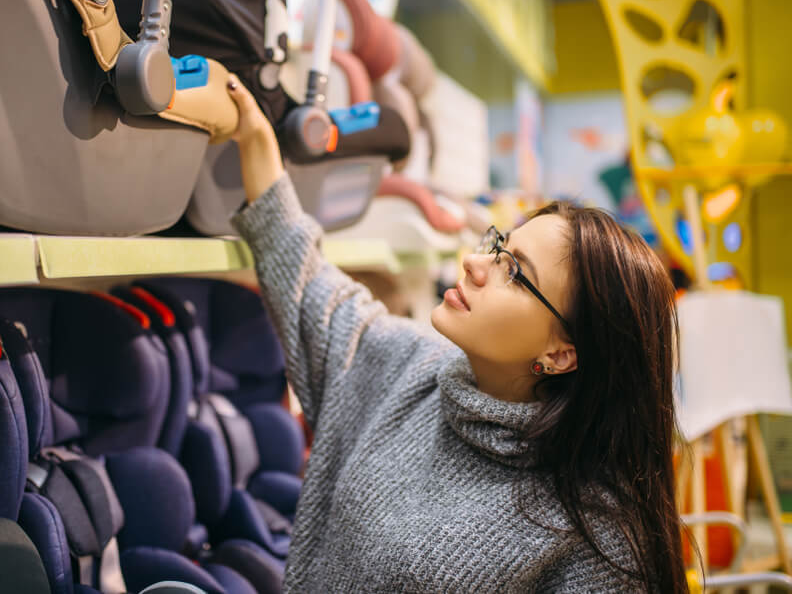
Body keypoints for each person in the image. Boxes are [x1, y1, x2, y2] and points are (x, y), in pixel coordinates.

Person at [224, 76, 687, 593]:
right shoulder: (412, 369)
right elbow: (311, 287)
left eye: (515, 272)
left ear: (561, 354)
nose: (473, 263)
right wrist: (254, 137)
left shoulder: (597, 537)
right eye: (498, 245)